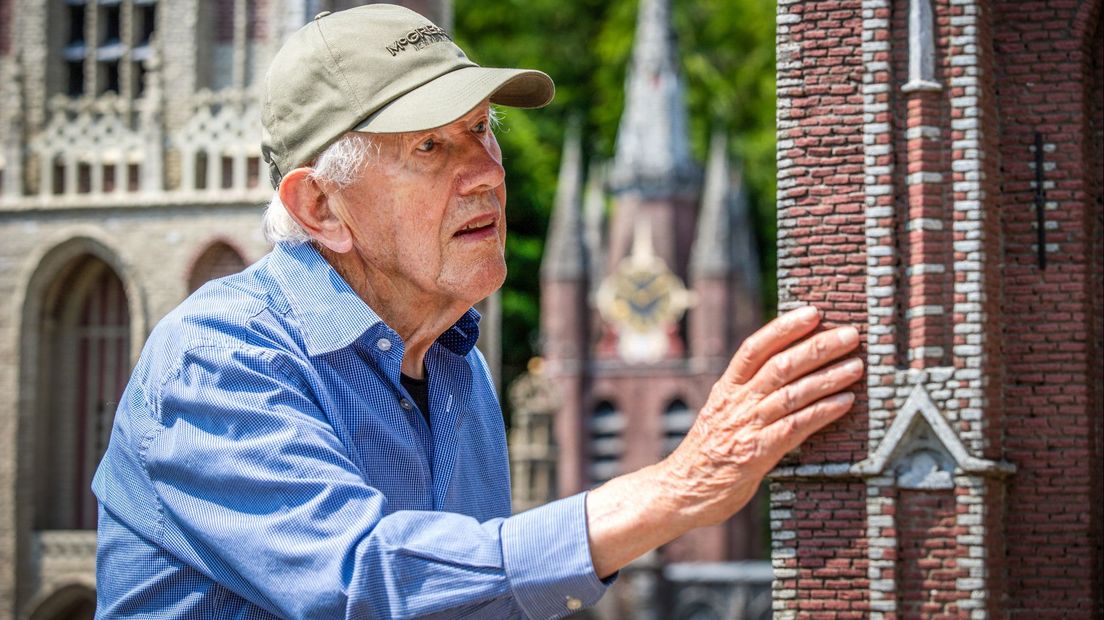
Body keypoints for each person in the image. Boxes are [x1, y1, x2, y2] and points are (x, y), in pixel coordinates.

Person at [92, 4, 863, 619]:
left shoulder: (460, 370)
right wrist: (676, 489)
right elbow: (371, 586)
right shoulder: (217, 356)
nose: (487, 172)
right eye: (430, 147)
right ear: (320, 207)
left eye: (481, 129)